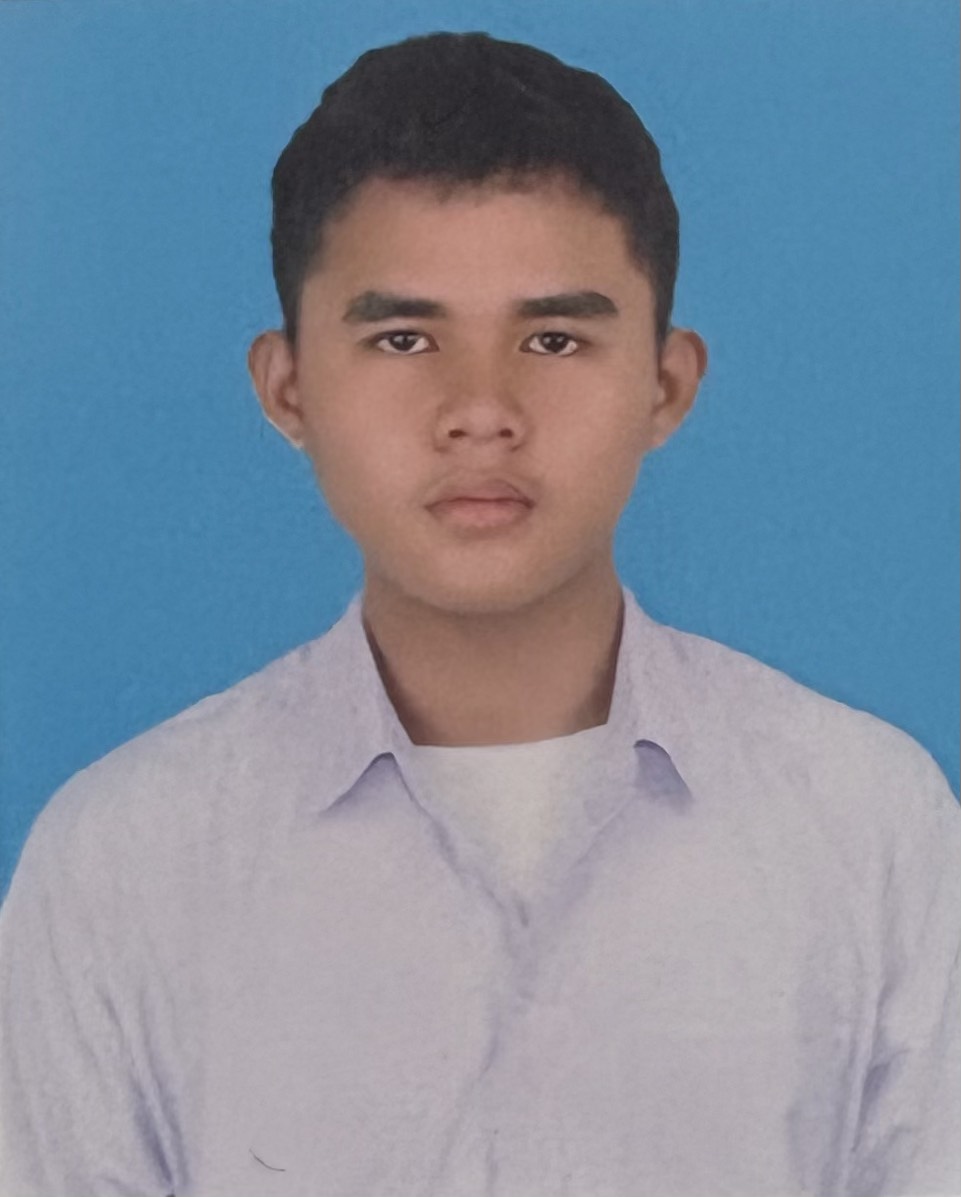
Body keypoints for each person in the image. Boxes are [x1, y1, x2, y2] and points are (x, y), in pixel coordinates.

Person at [1, 29, 958, 1197]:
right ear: (287, 387)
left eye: (553, 338)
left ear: (665, 385)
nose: (481, 410)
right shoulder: (123, 862)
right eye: (403, 338)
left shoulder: (867, 826)